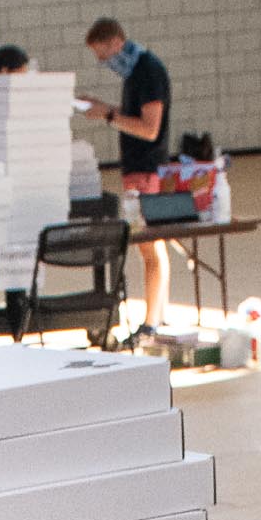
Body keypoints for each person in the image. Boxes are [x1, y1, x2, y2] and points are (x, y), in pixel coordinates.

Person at [85, 18, 175, 334]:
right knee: (152, 247)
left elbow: (149, 129)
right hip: (137, 169)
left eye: (103, 55)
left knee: (150, 247)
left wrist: (109, 115)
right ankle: (157, 314)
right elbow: (133, 116)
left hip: (147, 169)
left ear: (116, 43)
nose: (104, 63)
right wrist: (105, 108)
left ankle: (151, 322)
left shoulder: (147, 71)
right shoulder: (135, 73)